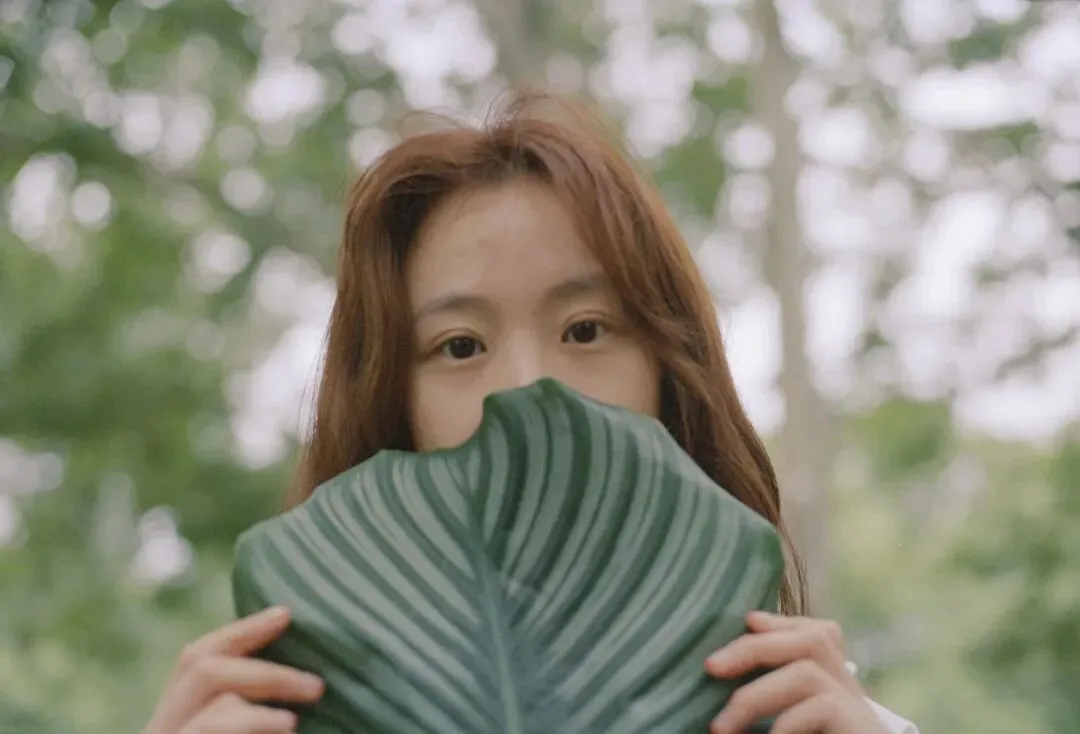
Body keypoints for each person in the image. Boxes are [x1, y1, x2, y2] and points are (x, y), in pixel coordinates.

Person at [140, 91, 919, 734]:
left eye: (585, 329)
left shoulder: (820, 718)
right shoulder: (265, 719)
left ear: (668, 369)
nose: (528, 389)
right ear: (392, 400)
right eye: (460, 345)